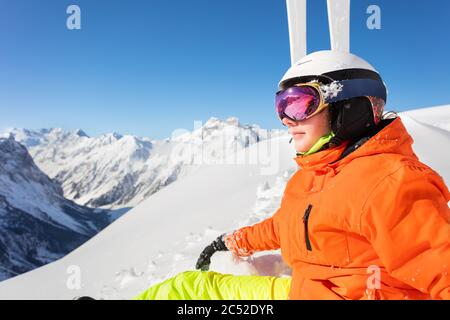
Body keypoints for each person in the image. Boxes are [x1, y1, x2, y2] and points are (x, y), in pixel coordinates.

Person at [135, 50, 450, 300]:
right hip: (301, 292)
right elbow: (290, 224)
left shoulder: (393, 183)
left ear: (349, 109)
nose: (286, 119)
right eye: (281, 105)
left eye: (300, 104)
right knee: (186, 288)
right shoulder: (317, 173)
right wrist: (233, 241)